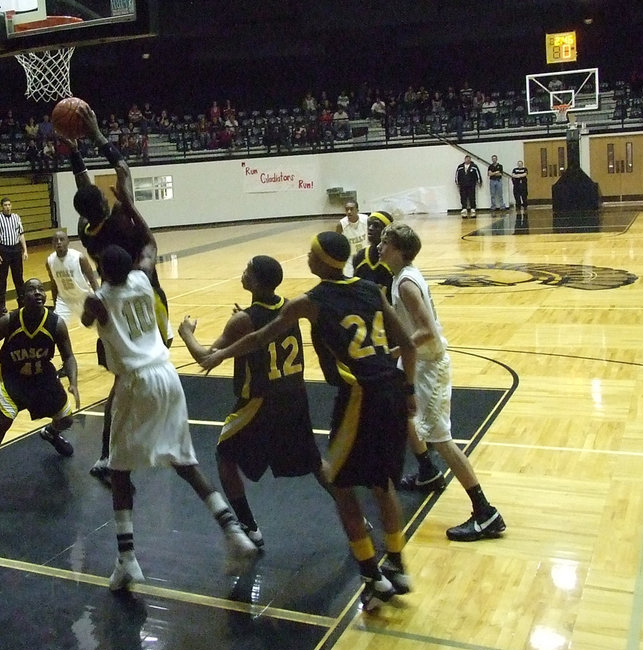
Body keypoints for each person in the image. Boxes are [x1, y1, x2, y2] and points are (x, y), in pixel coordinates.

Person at [200, 232, 417, 611]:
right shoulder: (370, 289)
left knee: (342, 486)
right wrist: (411, 390)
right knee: (382, 485)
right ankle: (396, 564)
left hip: (359, 397)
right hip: (394, 392)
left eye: (311, 253)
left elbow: (261, 336)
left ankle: (371, 576)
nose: (307, 258)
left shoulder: (311, 302)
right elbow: (410, 345)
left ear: (320, 261)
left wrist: (219, 356)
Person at [82, 245, 258, 591]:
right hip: (168, 374)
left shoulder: (99, 299)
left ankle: (127, 559)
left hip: (137, 381)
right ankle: (233, 532)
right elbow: (147, 249)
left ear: (102, 271)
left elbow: (89, 318)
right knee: (184, 461)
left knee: (117, 469)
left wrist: (91, 288)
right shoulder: (142, 279)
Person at [178, 255, 337, 553]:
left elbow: (203, 356)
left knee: (224, 456)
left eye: (247, 269)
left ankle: (250, 526)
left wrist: (186, 332)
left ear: (256, 281)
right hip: (294, 396)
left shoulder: (243, 321)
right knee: (315, 463)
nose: (243, 272)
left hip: (260, 402)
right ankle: (356, 514)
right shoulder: (289, 306)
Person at [61, 108, 172, 486]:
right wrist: (94, 133)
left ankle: (111, 452)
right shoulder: (123, 219)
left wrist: (73, 151)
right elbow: (123, 171)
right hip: (147, 298)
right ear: (107, 206)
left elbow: (84, 190)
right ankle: (123, 449)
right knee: (148, 370)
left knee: (124, 379)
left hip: (116, 308)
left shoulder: (87, 230)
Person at [378, 223, 506, 542]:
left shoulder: (406, 284)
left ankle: (485, 511)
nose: (379, 246)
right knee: (401, 413)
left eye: (385, 242)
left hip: (429, 366)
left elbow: (427, 332)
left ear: (398, 249)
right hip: (417, 362)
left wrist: (396, 348)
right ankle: (426, 472)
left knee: (442, 440)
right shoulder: (401, 277)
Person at [0, 278, 79, 494]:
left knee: (66, 419)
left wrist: (74, 382)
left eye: (41, 289)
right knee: (5, 420)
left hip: (42, 377)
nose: (38, 293)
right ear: (22, 298)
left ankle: (51, 433)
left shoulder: (56, 323)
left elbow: (68, 356)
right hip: (13, 377)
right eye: (32, 290)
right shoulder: (9, 321)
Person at [46, 228, 98, 321]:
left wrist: (99, 298)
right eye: (55, 240)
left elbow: (92, 280)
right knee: (56, 325)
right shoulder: (50, 261)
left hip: (84, 297)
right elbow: (53, 284)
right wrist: (55, 305)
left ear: (68, 241)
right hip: (64, 300)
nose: (58, 242)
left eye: (61, 239)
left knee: (98, 325)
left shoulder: (79, 258)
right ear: (52, 244)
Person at [0, 198, 26, 316]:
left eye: (9, 204)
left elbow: (21, 235)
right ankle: (1, 305)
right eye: (5, 205)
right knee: (2, 278)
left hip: (15, 249)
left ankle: (22, 301)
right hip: (3, 249)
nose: (7, 207)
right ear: (2, 206)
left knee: (19, 277)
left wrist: (25, 250)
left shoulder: (17, 217)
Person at [350, 210, 395, 296]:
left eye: (376, 225)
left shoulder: (394, 259)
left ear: (387, 230)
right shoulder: (359, 256)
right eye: (369, 225)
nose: (370, 228)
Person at [335, 199, 367, 276]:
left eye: (351, 209)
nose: (349, 212)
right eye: (347, 209)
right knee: (349, 279)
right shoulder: (341, 225)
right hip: (350, 258)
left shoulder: (366, 220)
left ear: (357, 210)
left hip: (365, 256)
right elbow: (336, 243)